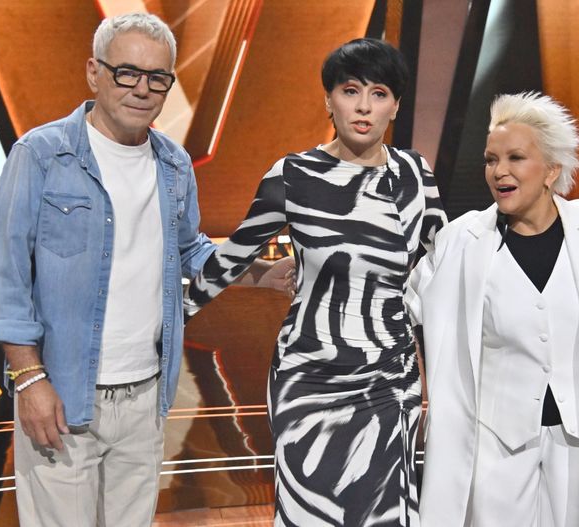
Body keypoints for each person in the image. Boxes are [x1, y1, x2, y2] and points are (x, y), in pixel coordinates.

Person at [0, 13, 286, 526]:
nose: (142, 89)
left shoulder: (174, 163)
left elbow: (190, 250)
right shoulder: (41, 155)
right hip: (61, 393)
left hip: (146, 396)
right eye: (126, 72)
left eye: (157, 77)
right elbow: (7, 276)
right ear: (94, 72)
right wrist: (30, 379)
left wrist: (258, 272)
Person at [183, 38, 447, 526]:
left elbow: (447, 268)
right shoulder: (294, 175)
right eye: (350, 91)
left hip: (390, 381)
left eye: (379, 93)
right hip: (309, 380)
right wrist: (167, 324)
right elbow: (230, 259)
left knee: (385, 514)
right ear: (329, 99)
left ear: (395, 106)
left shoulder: (415, 175)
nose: (363, 106)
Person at [407, 92, 579, 526]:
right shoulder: (461, 241)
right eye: (491, 159)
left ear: (552, 169)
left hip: (577, 440)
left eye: (515, 158)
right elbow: (400, 304)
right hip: (494, 447)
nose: (499, 171)